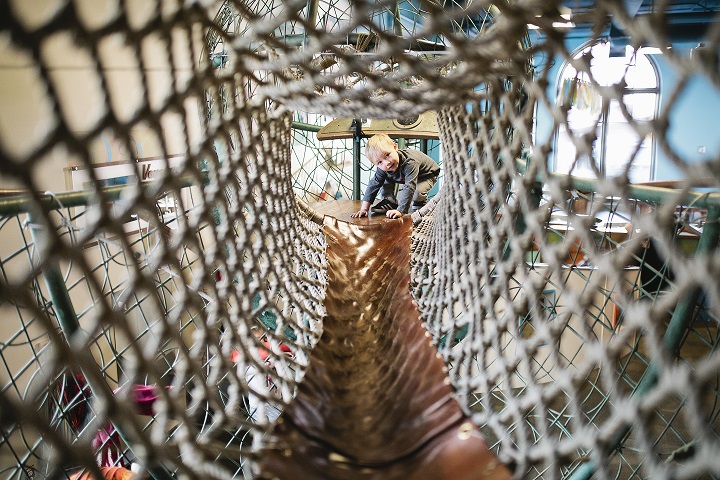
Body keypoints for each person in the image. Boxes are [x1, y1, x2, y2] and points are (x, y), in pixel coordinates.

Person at [351, 133, 440, 219]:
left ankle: (419, 204)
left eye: (387, 155)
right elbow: (373, 185)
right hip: (406, 175)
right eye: (380, 162)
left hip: (427, 174)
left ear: (395, 147)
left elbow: (410, 186)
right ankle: (390, 201)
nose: (387, 163)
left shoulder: (410, 162)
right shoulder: (384, 167)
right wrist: (364, 209)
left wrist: (401, 211)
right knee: (384, 177)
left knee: (416, 193)